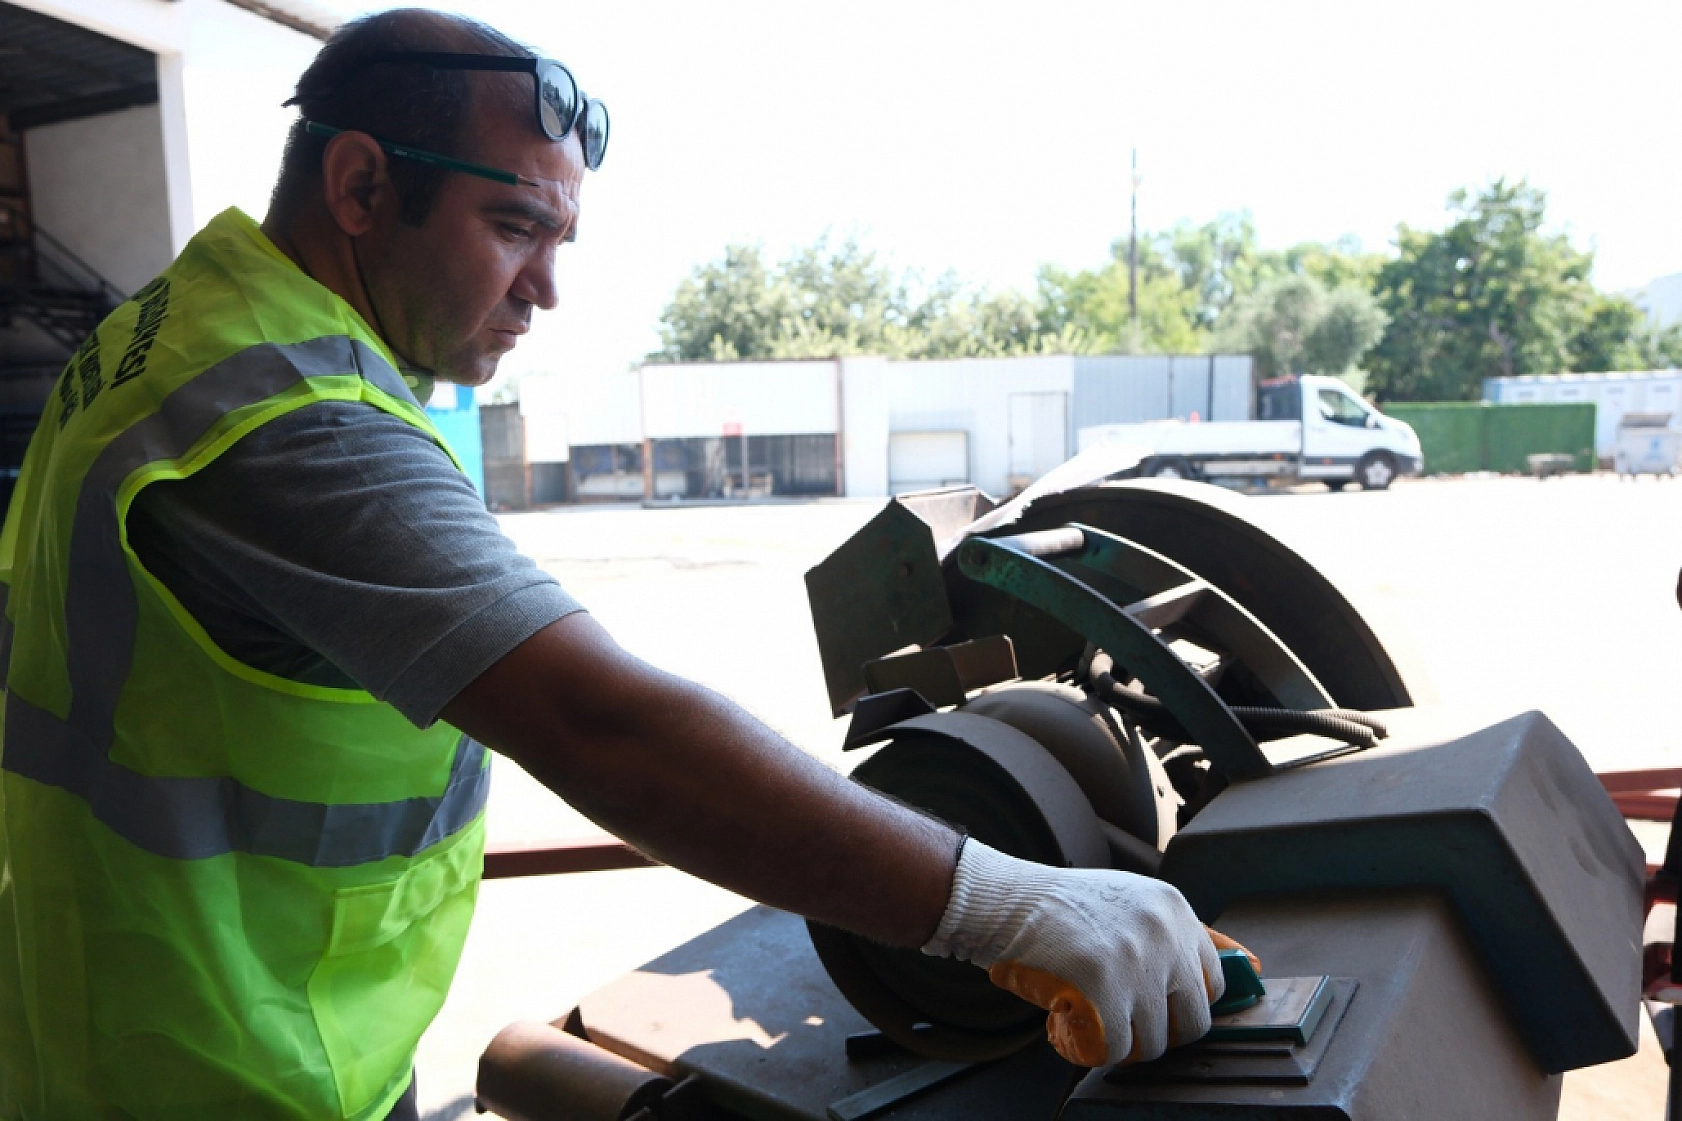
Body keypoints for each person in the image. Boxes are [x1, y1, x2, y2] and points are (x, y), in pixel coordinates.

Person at [0, 10, 1229, 1119]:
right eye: (514, 225)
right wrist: (1007, 903)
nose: (544, 287)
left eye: (559, 236)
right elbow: (604, 724)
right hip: (214, 1070)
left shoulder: (175, 331)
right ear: (361, 184)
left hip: (157, 1014)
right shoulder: (288, 417)